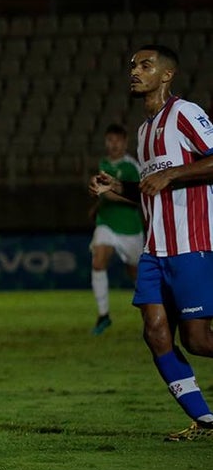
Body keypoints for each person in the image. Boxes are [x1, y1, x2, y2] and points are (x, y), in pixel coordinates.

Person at [89, 44, 213, 441]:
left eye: (145, 65)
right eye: (132, 66)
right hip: (155, 249)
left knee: (197, 340)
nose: (135, 71)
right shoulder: (143, 132)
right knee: (155, 332)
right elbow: (150, 188)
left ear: (167, 75)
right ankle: (206, 421)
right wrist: (116, 186)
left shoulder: (186, 113)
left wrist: (173, 174)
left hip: (191, 243)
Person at [86, 123, 142, 336]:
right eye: (110, 140)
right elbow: (102, 193)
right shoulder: (103, 164)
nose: (113, 144)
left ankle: (152, 311)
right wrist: (97, 206)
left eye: (117, 140)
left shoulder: (132, 167)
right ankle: (103, 315)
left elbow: (139, 198)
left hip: (129, 228)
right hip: (106, 223)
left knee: (136, 273)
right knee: (98, 261)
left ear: (125, 142)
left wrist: (109, 195)